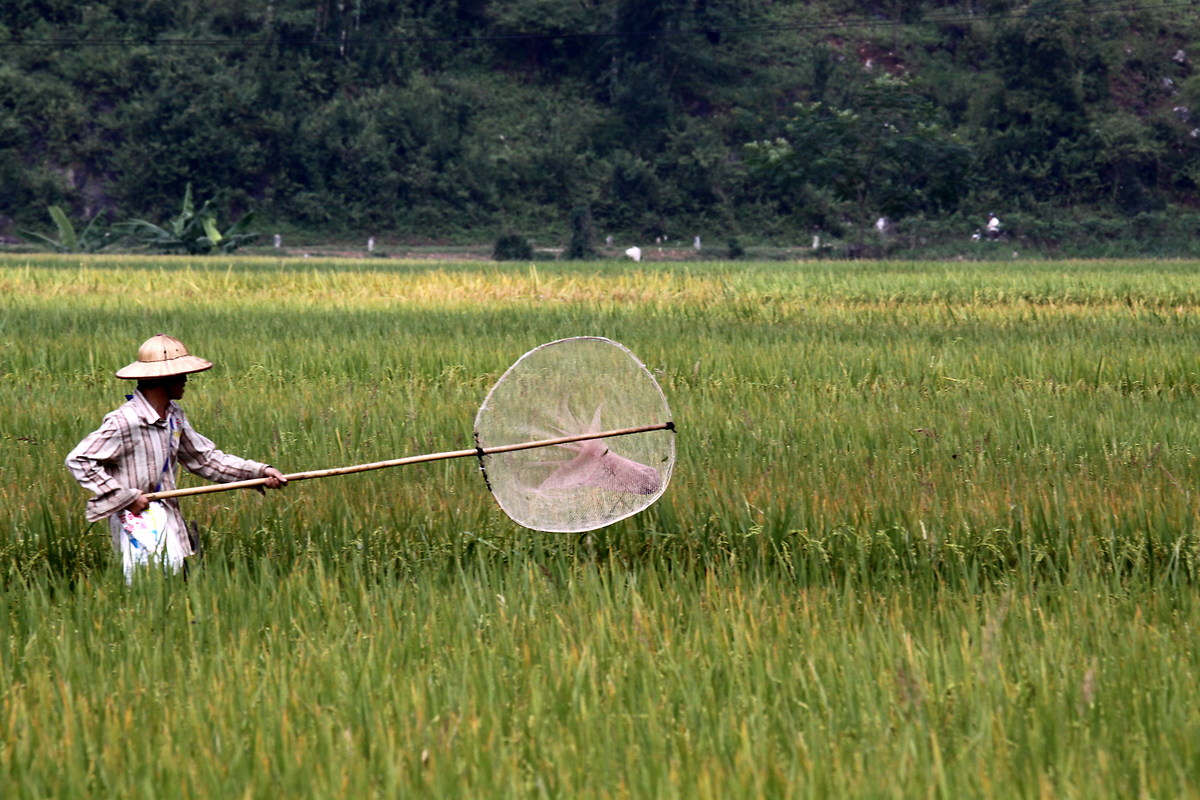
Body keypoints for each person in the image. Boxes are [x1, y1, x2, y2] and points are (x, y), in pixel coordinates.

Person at [66, 334, 286, 579]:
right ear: (164, 377)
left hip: (167, 514)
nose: (186, 380)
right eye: (181, 374)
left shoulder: (174, 417)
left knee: (177, 581)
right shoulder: (125, 421)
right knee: (147, 587)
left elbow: (204, 459)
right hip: (136, 521)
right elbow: (79, 460)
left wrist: (259, 472)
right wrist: (124, 497)